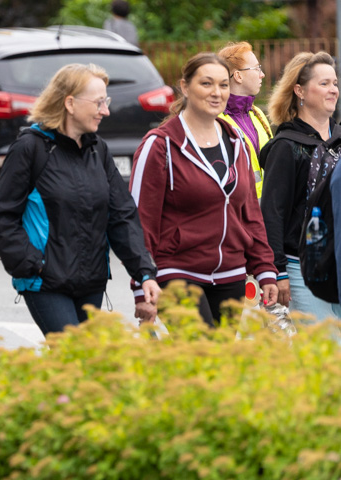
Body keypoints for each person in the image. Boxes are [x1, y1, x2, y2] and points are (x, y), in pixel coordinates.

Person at [0, 63, 160, 336]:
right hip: (45, 282)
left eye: (107, 101)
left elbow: (121, 215)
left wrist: (144, 273)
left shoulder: (97, 149)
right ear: (70, 103)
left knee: (86, 368)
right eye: (99, 102)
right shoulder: (30, 148)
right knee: (70, 356)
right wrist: (33, 264)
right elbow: (3, 217)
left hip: (91, 281)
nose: (105, 110)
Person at [130, 52, 278, 327]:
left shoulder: (236, 143)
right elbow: (140, 220)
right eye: (206, 84)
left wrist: (265, 269)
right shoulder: (160, 145)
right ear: (185, 87)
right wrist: (142, 281)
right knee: (202, 354)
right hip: (177, 272)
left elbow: (250, 214)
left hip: (230, 274)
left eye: (223, 85)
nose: (216, 93)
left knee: (217, 366)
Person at [259, 51, 341, 320]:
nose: (333, 90)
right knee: (324, 352)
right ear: (299, 90)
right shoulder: (286, 146)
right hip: (301, 268)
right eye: (324, 83)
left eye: (335, 83)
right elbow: (272, 213)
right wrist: (277, 271)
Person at [217, 42, 272, 200]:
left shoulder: (257, 114)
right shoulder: (216, 120)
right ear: (238, 76)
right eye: (256, 68)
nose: (262, 74)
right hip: (236, 212)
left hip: (266, 209)